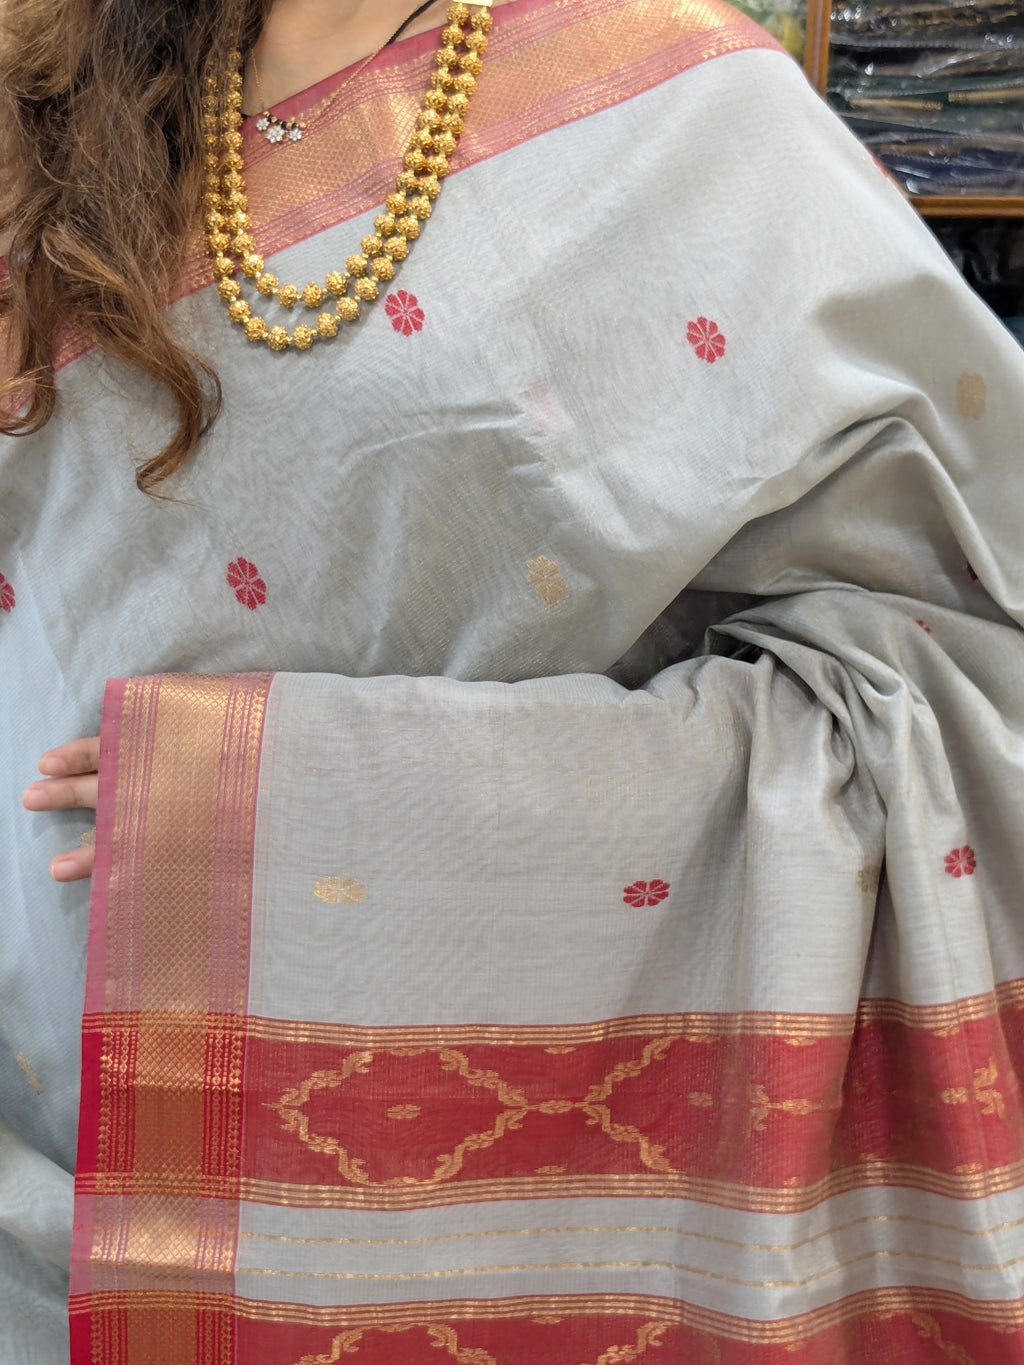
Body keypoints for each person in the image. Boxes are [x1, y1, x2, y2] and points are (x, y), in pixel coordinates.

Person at [3, 0, 1024, 1360]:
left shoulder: (678, 108)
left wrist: (295, 803)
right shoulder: (46, 81)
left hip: (496, 1185)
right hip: (49, 1149)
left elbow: (964, 660)